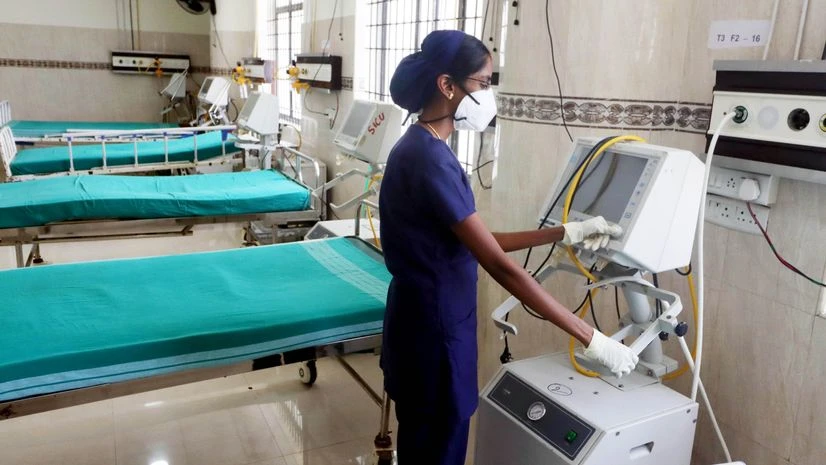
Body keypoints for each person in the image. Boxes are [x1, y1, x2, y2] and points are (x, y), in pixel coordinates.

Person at [379, 30, 639, 465]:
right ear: (448, 86)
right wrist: (590, 336)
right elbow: (498, 264)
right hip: (435, 335)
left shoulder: (421, 146)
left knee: (425, 445)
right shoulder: (430, 159)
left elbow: (473, 241)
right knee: (437, 450)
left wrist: (563, 233)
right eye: (482, 83)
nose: (487, 94)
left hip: (421, 323)